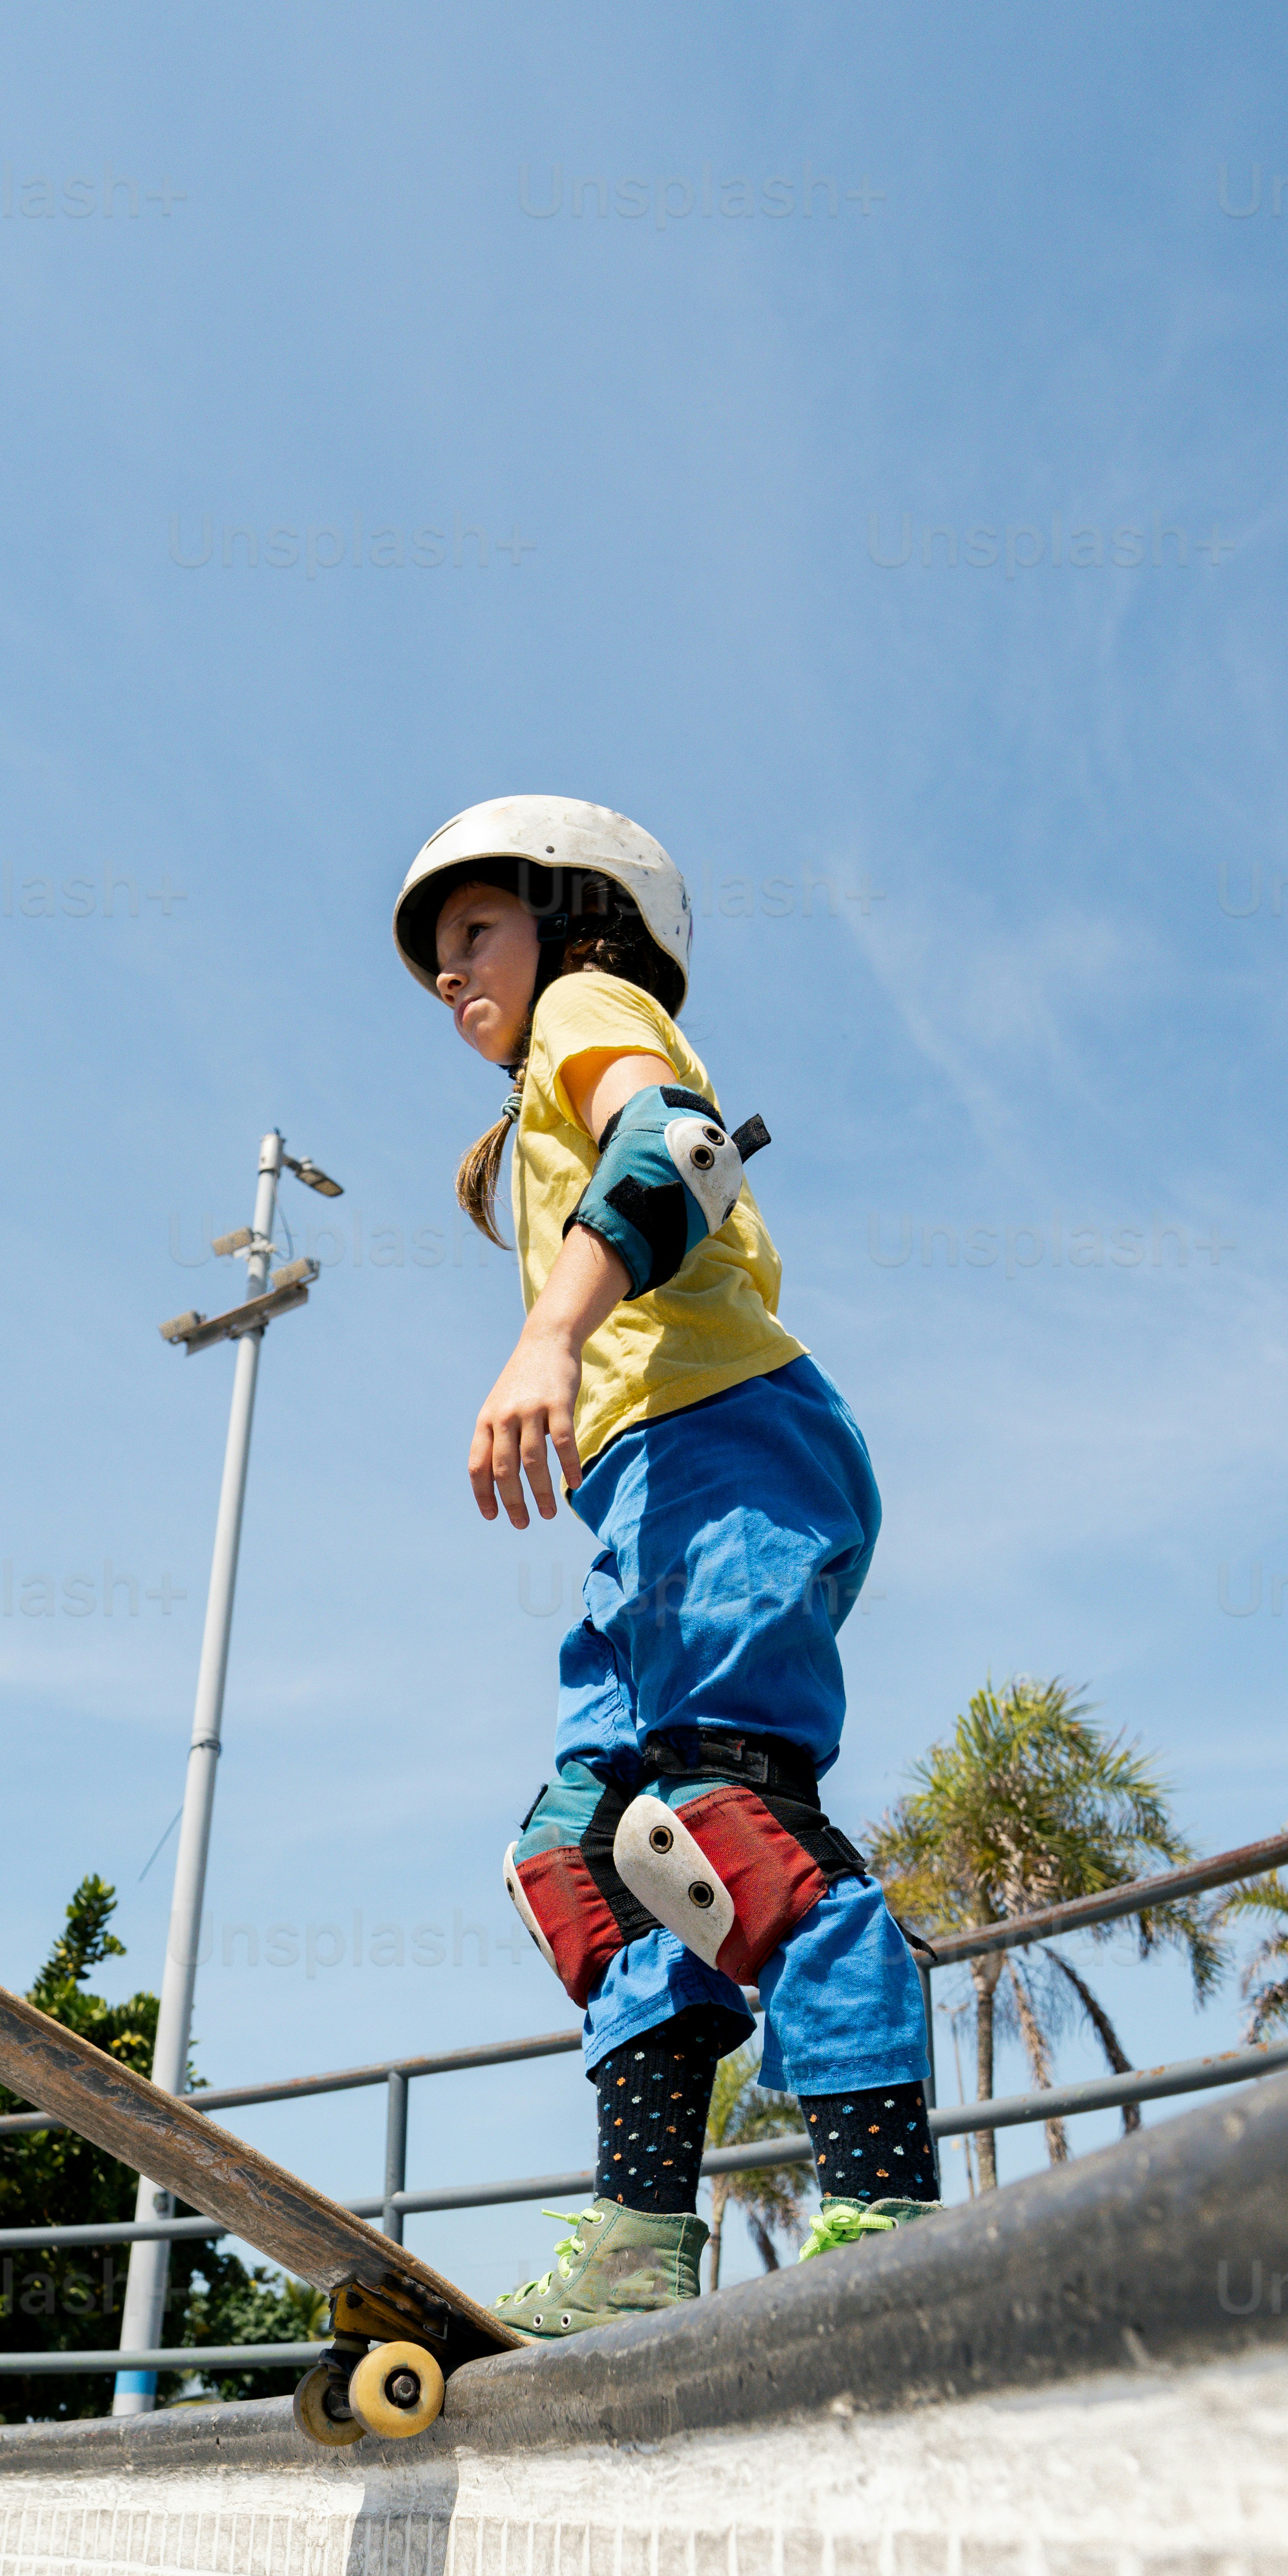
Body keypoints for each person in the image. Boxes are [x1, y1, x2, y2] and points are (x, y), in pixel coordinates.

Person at [393, 793, 942, 2334]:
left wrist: (548, 1334)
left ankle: (881, 2203)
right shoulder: (523, 1110)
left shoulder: (587, 1001)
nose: (452, 975)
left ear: (576, 917)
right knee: (592, 1856)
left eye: (474, 934)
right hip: (645, 1497)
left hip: (733, 1446)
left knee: (727, 1821)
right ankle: (641, 2238)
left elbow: (678, 1144)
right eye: (439, 959)